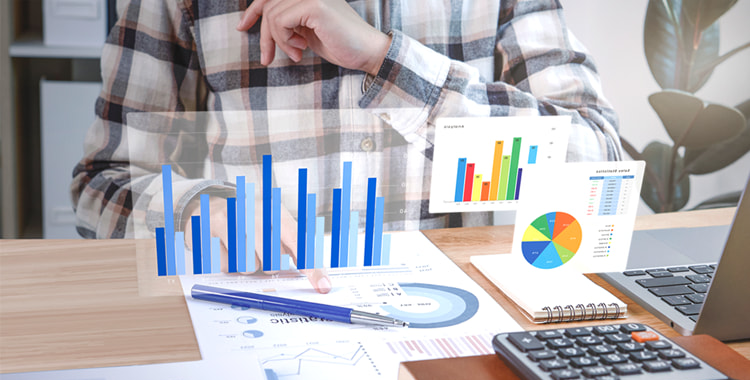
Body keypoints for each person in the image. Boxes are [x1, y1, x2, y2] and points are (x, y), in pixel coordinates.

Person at [71, 0, 622, 294]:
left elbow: (598, 165)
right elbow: (102, 186)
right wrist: (204, 210)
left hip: (448, 339)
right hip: (253, 328)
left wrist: (384, 61)